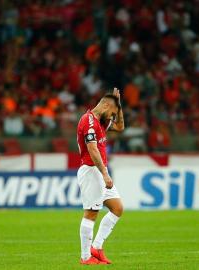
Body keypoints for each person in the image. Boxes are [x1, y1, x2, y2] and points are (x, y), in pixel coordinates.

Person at [76, 88, 125, 265]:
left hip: (100, 171)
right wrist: (105, 174)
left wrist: (119, 107)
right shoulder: (87, 121)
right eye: (112, 112)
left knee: (117, 208)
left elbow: (120, 127)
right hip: (91, 171)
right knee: (91, 213)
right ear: (105, 105)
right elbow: (92, 148)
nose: (112, 116)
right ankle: (85, 257)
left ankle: (96, 248)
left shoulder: (101, 121)